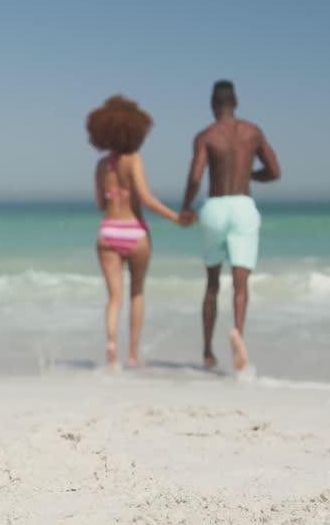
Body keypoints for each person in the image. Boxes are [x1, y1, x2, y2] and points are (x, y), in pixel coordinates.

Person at [178, 80, 281, 375]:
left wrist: (186, 207)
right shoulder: (253, 132)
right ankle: (237, 332)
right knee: (240, 282)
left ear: (212, 104)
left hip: (215, 207)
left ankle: (208, 352)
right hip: (243, 206)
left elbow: (196, 176)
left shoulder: (206, 136)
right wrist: (249, 177)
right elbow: (275, 171)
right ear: (235, 103)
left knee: (212, 283)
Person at [87, 95, 184, 370]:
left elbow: (99, 204)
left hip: (108, 231)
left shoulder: (101, 166)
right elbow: (147, 198)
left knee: (114, 297)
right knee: (137, 292)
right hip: (135, 230)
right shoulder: (134, 160)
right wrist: (176, 218)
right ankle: (131, 354)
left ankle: (110, 346)